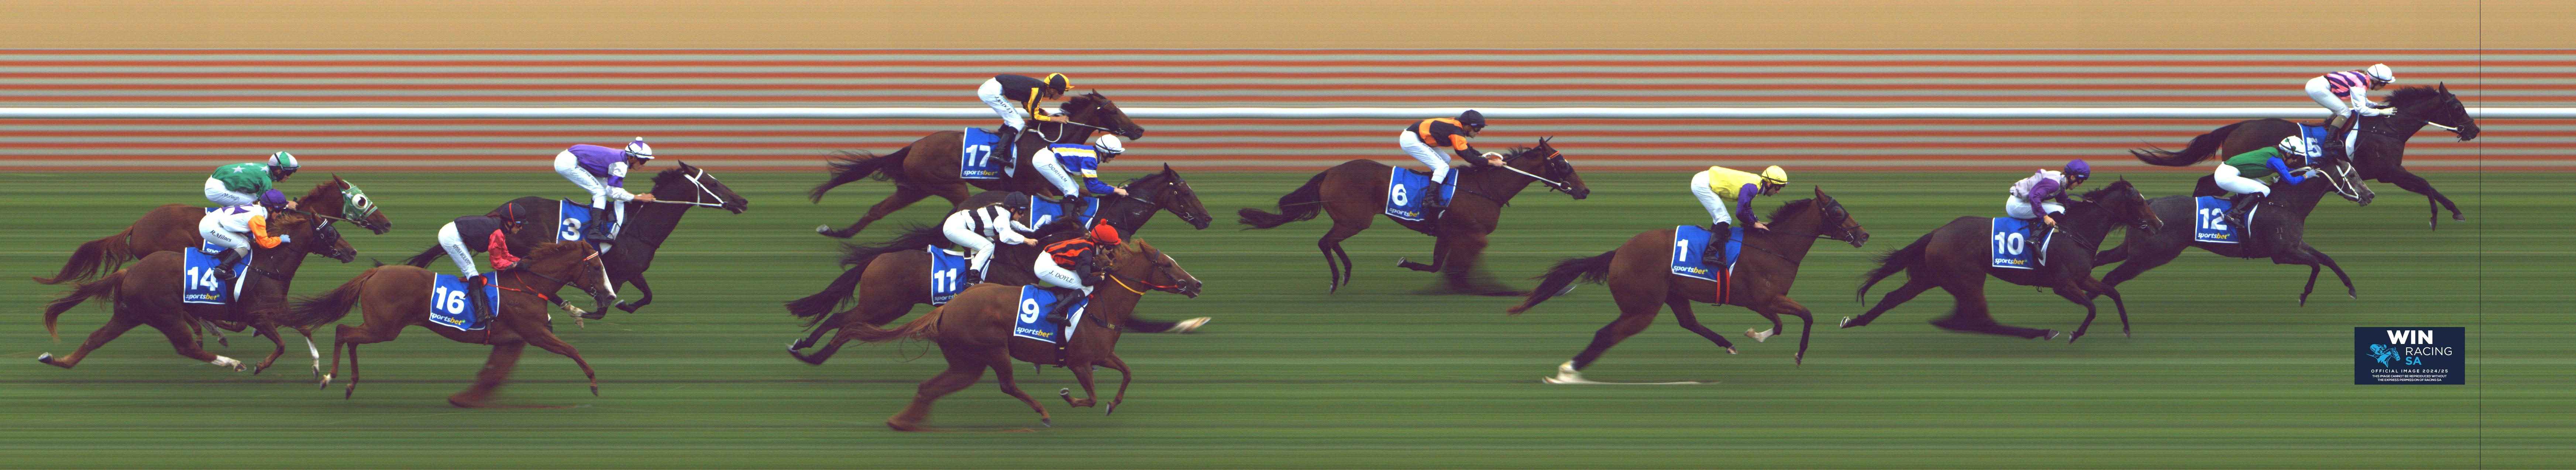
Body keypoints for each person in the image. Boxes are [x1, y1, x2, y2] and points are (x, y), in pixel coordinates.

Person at [434, 203, 531, 322]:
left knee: (471, 271)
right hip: (451, 238)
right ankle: (481, 315)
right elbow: (496, 263)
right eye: (519, 224)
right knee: (471, 272)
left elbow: (505, 255)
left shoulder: (501, 230)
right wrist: (514, 265)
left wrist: (521, 261)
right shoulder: (498, 232)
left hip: (453, 231)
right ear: (510, 223)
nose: (521, 228)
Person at [1398, 110, 1504, 215]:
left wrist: (1486, 159)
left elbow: (1468, 149)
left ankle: (1432, 188)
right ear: (1468, 126)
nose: (1479, 132)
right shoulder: (1456, 131)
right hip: (1411, 140)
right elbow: (1468, 157)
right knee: (1443, 167)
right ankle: (1429, 200)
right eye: (1477, 128)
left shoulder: (1458, 128)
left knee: (1446, 160)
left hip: (1417, 138)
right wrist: (1492, 163)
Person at [554, 137, 657, 242]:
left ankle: (595, 219)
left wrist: (636, 197)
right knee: (600, 193)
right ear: (633, 158)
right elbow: (614, 193)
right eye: (643, 161)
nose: (644, 165)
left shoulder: (621, 158)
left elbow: (611, 189)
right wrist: (639, 199)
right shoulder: (620, 165)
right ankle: (595, 232)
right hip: (568, 163)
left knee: (602, 190)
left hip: (569, 159)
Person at [1690, 165, 1788, 266]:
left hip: (1704, 180)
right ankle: (1709, 254)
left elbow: (1747, 207)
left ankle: (1717, 238)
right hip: (1702, 184)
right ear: (1769, 184)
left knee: (1721, 218)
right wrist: (1754, 224)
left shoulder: (1756, 184)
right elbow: (1740, 212)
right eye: (1778, 187)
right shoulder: (1753, 187)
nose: (1778, 192)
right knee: (1724, 219)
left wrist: (1757, 221)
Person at [1032, 221, 1122, 326]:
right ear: (1101, 245)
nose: (1111, 251)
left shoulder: (1089, 244)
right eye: (1109, 247)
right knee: (1088, 288)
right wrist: (1102, 277)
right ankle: (1055, 313)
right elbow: (1087, 281)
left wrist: (1101, 270)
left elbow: (1085, 267)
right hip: (1045, 267)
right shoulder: (1086, 252)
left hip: (1050, 260)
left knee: (1079, 281)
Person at [2214, 137, 2316, 226]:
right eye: (2296, 157)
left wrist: (2303, 170)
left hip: (2229, 171)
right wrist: (2306, 176)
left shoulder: (2274, 152)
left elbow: (2286, 170)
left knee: (2265, 187)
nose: (2295, 161)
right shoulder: (2276, 160)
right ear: (2288, 153)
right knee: (2264, 190)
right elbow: (2291, 181)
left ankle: (2241, 208)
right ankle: (2234, 215)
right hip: (2225, 176)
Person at [196, 191, 294, 281]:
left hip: (213, 222)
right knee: (244, 245)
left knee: (246, 241)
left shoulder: (258, 209)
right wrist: (280, 240)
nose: (280, 213)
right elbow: (264, 244)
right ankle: (221, 270)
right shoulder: (258, 218)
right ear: (270, 209)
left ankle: (226, 257)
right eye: (279, 210)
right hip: (210, 227)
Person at [2306, 64, 2395, 161]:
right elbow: (2361, 109)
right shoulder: (2361, 82)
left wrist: (2376, 106)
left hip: (2318, 86)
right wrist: (2381, 112)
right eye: (2384, 84)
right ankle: (2329, 142)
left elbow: (2363, 101)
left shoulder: (2363, 79)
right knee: (2345, 112)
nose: (2383, 87)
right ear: (2376, 81)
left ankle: (2329, 134)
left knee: (2342, 111)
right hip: (2318, 88)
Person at [2005, 160, 2091, 259]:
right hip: (2016, 205)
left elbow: (2065, 202)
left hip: (2023, 202)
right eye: (2080, 181)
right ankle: (2035, 239)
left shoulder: (2060, 181)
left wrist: (2083, 204)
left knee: (2061, 207)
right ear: (2073, 177)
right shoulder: (2055, 184)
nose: (2080, 185)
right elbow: (2034, 196)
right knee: (2060, 210)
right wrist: (2045, 217)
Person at [978, 73, 1073, 161]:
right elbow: (1035, 118)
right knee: (1018, 123)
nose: (1063, 95)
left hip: (991, 89)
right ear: (1052, 90)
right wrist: (1056, 119)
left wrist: (1046, 114)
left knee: (1012, 121)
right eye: (1062, 92)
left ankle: (1000, 147)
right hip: (991, 91)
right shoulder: (1037, 91)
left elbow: (1027, 106)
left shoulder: (1038, 89)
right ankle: (997, 154)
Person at [942, 202, 1037, 285]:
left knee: (991, 244)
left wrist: (1034, 233)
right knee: (988, 247)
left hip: (960, 221)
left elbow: (1018, 227)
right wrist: (1026, 240)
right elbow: (1007, 236)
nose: (1022, 215)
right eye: (1021, 212)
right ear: (1013, 210)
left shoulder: (1005, 213)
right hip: (954, 227)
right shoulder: (1002, 218)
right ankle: (973, 279)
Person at [1031, 134, 1131, 211]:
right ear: (1104, 153)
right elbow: (1092, 187)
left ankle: (1067, 216)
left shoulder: (1093, 155)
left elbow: (1093, 183)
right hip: (1045, 160)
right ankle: (1067, 222)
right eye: (1113, 155)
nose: (1114, 158)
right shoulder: (1090, 159)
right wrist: (1115, 191)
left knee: (1075, 189)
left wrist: (1113, 188)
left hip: (1047, 157)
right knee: (1072, 191)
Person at [203, 151, 300, 210]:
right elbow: (267, 203)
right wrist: (287, 205)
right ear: (279, 171)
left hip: (218, 182)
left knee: (255, 199)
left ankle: (227, 210)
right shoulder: (266, 179)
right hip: (216, 189)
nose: (289, 177)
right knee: (255, 205)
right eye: (289, 173)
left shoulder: (265, 168)